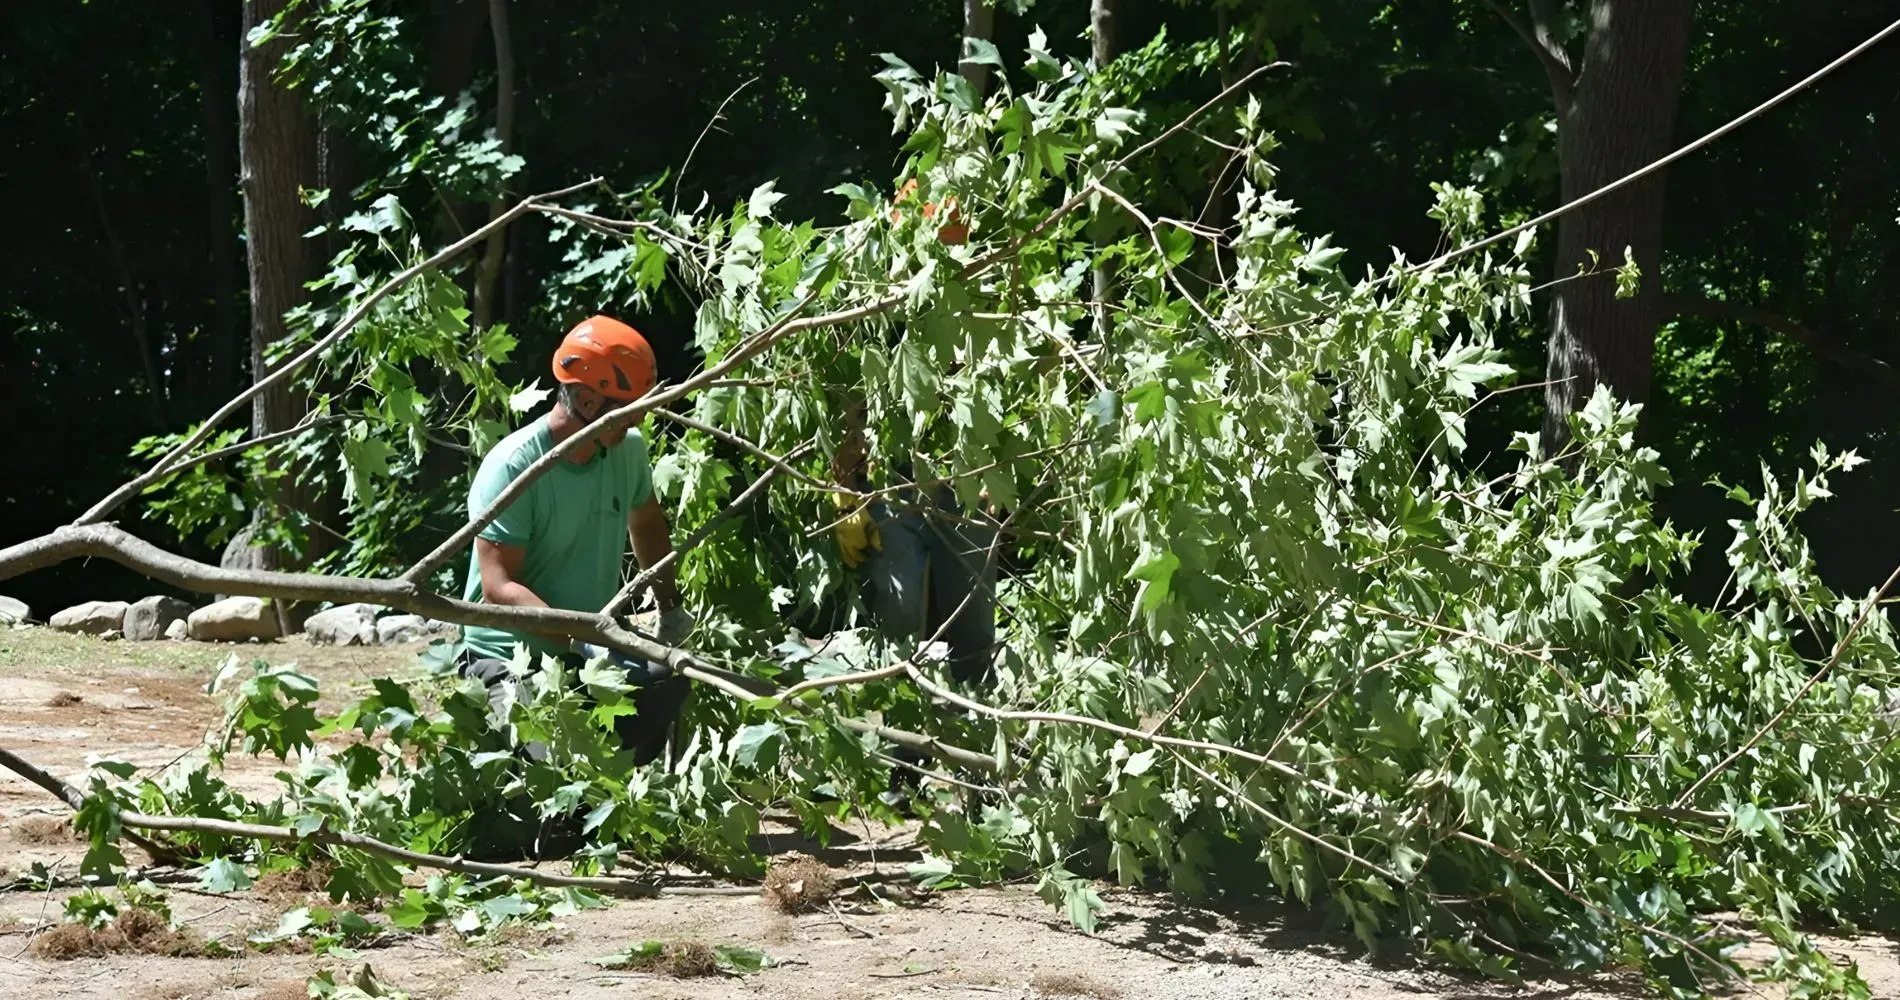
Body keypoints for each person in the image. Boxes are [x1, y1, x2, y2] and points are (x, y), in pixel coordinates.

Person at [454, 315, 695, 773]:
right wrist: (582, 640)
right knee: (550, 772)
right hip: (509, 658)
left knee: (666, 677)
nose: (641, 415)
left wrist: (670, 608)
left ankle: (620, 788)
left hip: (588, 645)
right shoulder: (516, 468)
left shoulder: (627, 451)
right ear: (587, 400)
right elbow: (498, 587)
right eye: (629, 405)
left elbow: (646, 523)